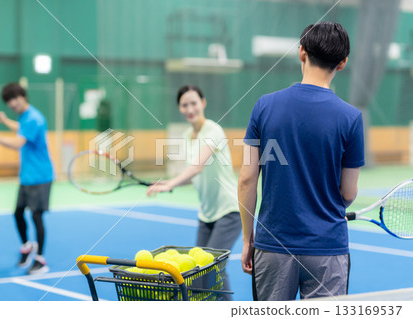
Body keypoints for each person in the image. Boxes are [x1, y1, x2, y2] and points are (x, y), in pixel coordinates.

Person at [238, 22, 365, 300]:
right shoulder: (351, 118)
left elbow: (247, 179)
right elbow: (348, 193)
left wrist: (249, 239)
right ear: (342, 63)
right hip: (327, 248)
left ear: (301, 52)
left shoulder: (264, 106)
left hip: (272, 246)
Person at [147, 85, 241, 300]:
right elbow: (192, 174)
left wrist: (170, 184)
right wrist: (166, 183)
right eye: (184, 104)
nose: (190, 108)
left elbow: (198, 165)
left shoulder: (213, 130)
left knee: (212, 268)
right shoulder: (188, 134)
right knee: (198, 270)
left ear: (203, 103)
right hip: (206, 212)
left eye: (193, 103)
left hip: (228, 210)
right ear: (180, 108)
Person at [0, 83, 54, 275]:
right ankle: (27, 247)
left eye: (15, 99)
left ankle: (40, 260)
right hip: (27, 176)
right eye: (9, 101)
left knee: (36, 216)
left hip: (41, 176)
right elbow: (21, 128)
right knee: (18, 213)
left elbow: (18, 143)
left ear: (23, 96)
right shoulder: (25, 117)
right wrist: (6, 121)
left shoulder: (34, 117)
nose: (13, 104)